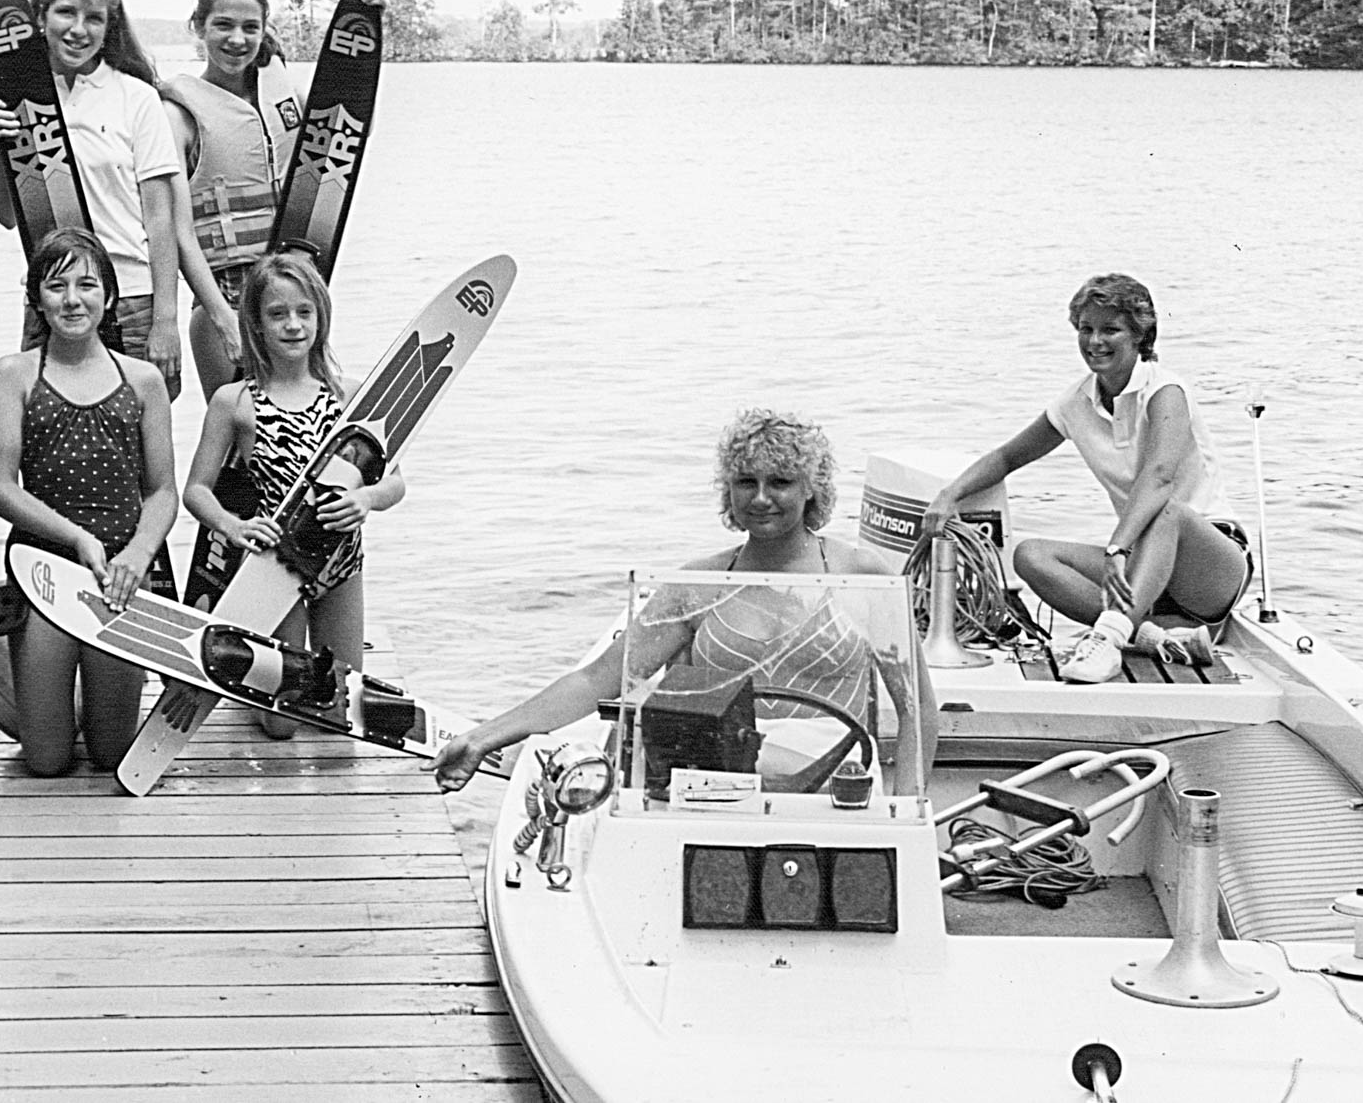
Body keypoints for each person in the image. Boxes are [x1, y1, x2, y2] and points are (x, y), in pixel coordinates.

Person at [434, 409, 935, 795]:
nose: (761, 498)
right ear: (729, 491)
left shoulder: (864, 577)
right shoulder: (696, 585)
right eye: (746, 482)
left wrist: (909, 809)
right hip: (719, 787)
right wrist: (483, 737)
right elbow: (598, 679)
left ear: (812, 490)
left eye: (780, 482)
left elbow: (915, 708)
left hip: (837, 786)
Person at [921, 273, 1248, 684]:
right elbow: (1007, 456)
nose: (1095, 341)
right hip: (1143, 564)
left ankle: (1109, 641)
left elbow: (1160, 477)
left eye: (1110, 329)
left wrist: (1117, 549)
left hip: (1209, 562)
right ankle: (1146, 635)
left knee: (1167, 511)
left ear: (1139, 337)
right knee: (1031, 555)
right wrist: (950, 494)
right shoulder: (1077, 402)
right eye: (1086, 329)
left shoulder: (1166, 391)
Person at [180, 253, 405, 737]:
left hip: (341, 563)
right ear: (256, 326)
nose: (293, 325)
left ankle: (270, 677)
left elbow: (395, 482)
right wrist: (233, 526)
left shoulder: (351, 396)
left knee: (336, 713)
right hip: (274, 567)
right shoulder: (236, 401)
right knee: (280, 727)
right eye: (277, 314)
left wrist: (366, 501)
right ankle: (252, 689)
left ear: (321, 316)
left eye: (304, 312)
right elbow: (196, 491)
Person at [0, 228, 178, 775]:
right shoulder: (14, 374)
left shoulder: (140, 379)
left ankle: (83, 686)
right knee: (45, 761)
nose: (73, 300)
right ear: (36, 299)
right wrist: (74, 536)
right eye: (56, 286)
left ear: (110, 297)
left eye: (87, 285)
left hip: (117, 575)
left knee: (112, 753)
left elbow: (163, 491)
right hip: (41, 566)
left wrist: (137, 555)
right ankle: (45, 680)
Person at [161, 0, 383, 399]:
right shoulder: (178, 114)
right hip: (223, 294)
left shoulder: (280, 92)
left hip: (292, 283)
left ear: (265, 29)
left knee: (302, 423)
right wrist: (225, 319)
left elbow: (353, 127)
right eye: (223, 25)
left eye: (250, 27)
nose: (237, 40)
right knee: (235, 434)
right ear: (198, 26)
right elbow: (173, 231)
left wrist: (371, 22)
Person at [0, 0, 184, 400]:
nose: (79, 29)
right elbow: (7, 217)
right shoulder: (18, 100)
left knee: (137, 445)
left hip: (131, 297)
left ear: (110, 27)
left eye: (94, 18)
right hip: (50, 295)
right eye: (66, 13)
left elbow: (161, 220)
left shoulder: (136, 97)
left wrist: (166, 318)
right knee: (48, 441)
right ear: (40, 17)